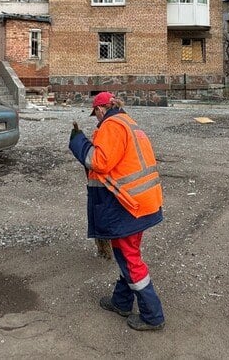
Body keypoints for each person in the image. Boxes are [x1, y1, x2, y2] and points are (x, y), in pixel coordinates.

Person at [69, 91, 166, 331]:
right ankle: (121, 302)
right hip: (142, 203)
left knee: (130, 258)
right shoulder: (129, 123)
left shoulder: (112, 125)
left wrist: (78, 142)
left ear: (101, 109)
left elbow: (99, 162)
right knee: (127, 253)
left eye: (96, 114)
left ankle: (153, 316)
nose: (96, 119)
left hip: (127, 205)